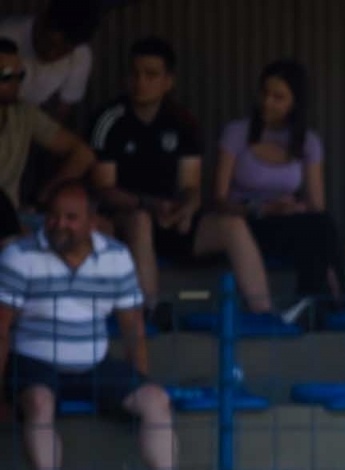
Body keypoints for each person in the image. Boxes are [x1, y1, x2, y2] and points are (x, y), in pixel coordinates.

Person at [0, 182, 212, 470]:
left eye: (71, 218)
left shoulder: (116, 256)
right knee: (39, 402)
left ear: (92, 223)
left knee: (156, 400)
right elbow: (1, 328)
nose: (59, 225)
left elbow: (133, 328)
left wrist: (136, 381)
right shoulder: (19, 256)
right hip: (34, 360)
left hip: (95, 363)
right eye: (53, 217)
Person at [88, 38, 274, 316]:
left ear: (168, 81)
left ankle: (264, 312)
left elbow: (190, 185)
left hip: (169, 218)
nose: (141, 82)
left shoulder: (182, 120)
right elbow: (104, 189)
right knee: (140, 222)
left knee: (233, 225)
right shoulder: (109, 119)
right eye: (135, 73)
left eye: (151, 74)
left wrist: (186, 207)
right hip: (123, 222)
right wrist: (149, 205)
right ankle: (150, 311)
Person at [216, 59, 345, 320]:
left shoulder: (308, 142)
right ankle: (335, 296)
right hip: (247, 224)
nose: (268, 102)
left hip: (287, 225)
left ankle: (313, 298)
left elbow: (317, 205)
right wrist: (262, 208)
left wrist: (294, 207)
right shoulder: (237, 133)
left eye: (279, 97)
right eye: (265, 93)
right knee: (317, 228)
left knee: (319, 222)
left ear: (295, 103)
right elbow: (219, 200)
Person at [0, 36, 93, 243]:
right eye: (6, 76)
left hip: (15, 217)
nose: (15, 83)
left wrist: (47, 196)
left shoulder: (23, 113)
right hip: (8, 226)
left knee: (98, 230)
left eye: (20, 75)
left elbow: (82, 154)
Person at [0, 0, 98, 123]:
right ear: (42, 21)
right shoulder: (6, 34)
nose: (51, 54)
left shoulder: (80, 56)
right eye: (50, 43)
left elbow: (59, 116)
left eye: (61, 52)